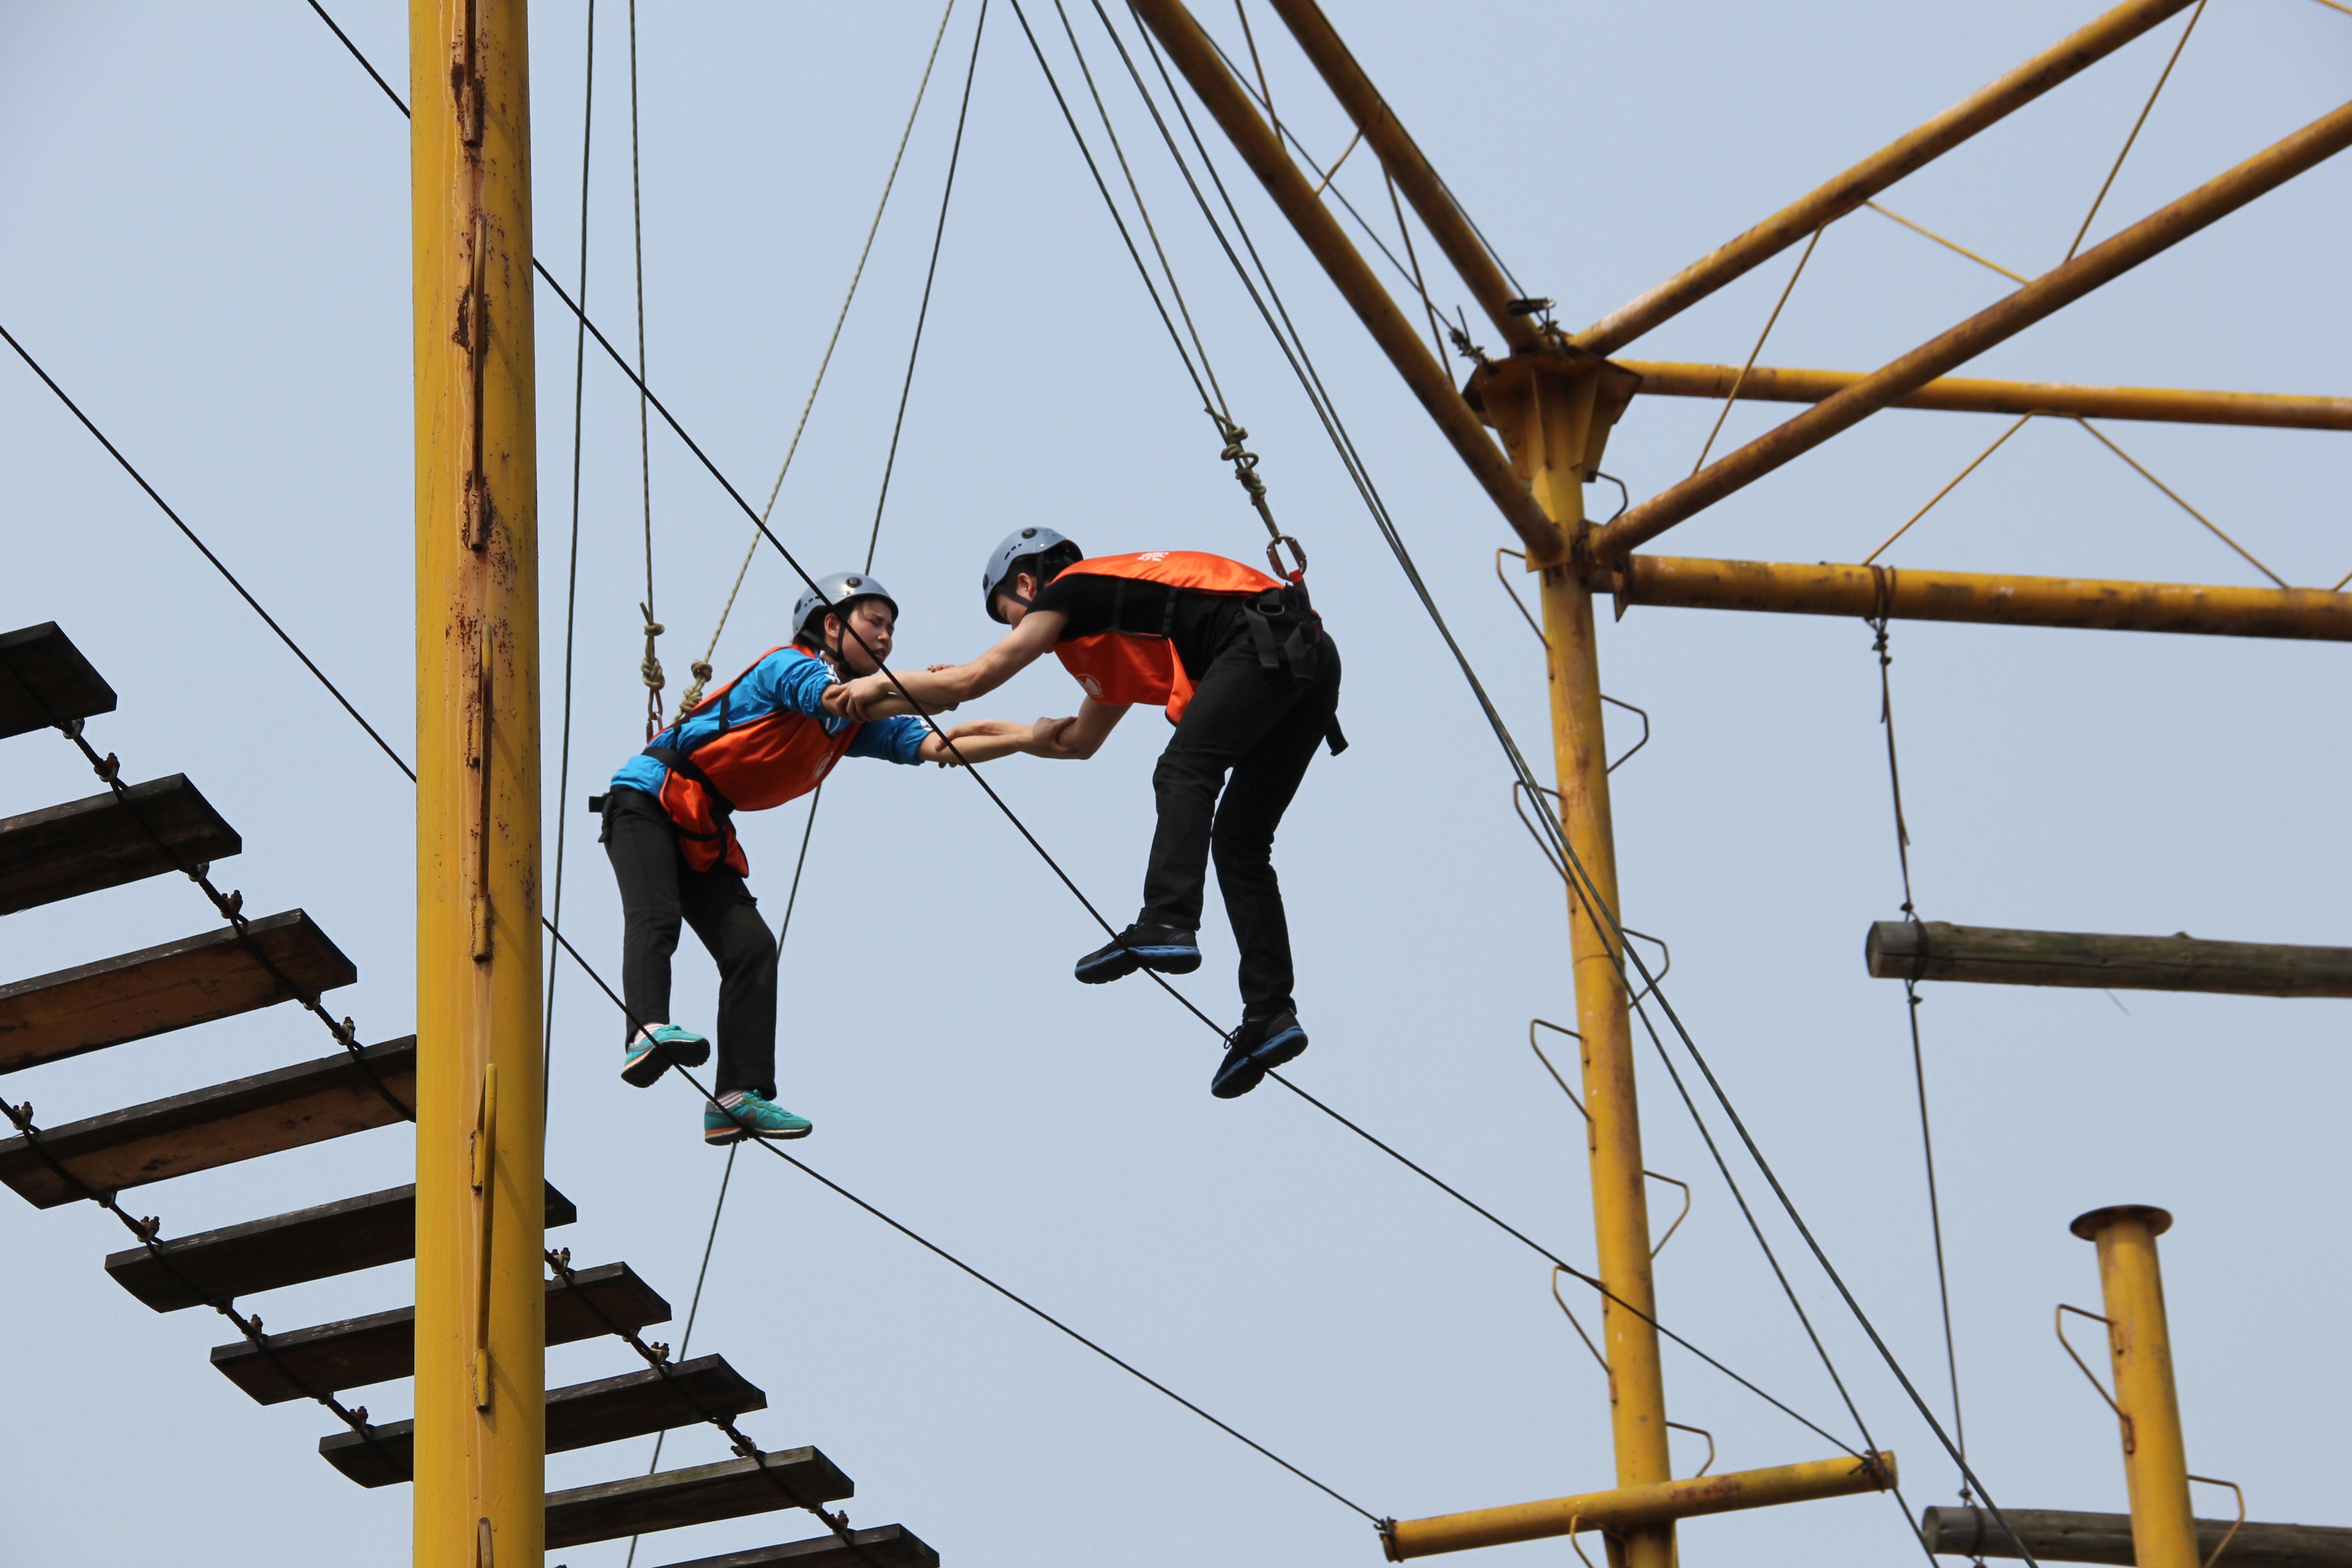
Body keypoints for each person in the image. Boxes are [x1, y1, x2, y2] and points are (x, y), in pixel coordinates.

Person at [837, 528, 1343, 1099]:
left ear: (1028, 584)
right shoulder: (1118, 624)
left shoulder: (1073, 590)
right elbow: (1076, 741)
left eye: (1011, 617)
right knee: (1241, 846)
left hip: (1263, 646)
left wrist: (869, 688)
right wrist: (1013, 735)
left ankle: (1168, 921)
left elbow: (972, 680)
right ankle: (1270, 1014)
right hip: (1305, 663)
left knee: (1181, 772)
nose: (1019, 633)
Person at [600, 570, 1040, 1144]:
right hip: (647, 798)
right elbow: (837, 697)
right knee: (655, 915)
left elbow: (941, 744)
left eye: (891, 629)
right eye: (874, 622)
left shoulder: (850, 727)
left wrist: (1034, 737)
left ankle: (737, 1098)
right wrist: (940, 684)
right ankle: (647, 1030)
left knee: (752, 947)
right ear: (831, 625)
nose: (885, 638)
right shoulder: (793, 667)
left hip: (703, 823)